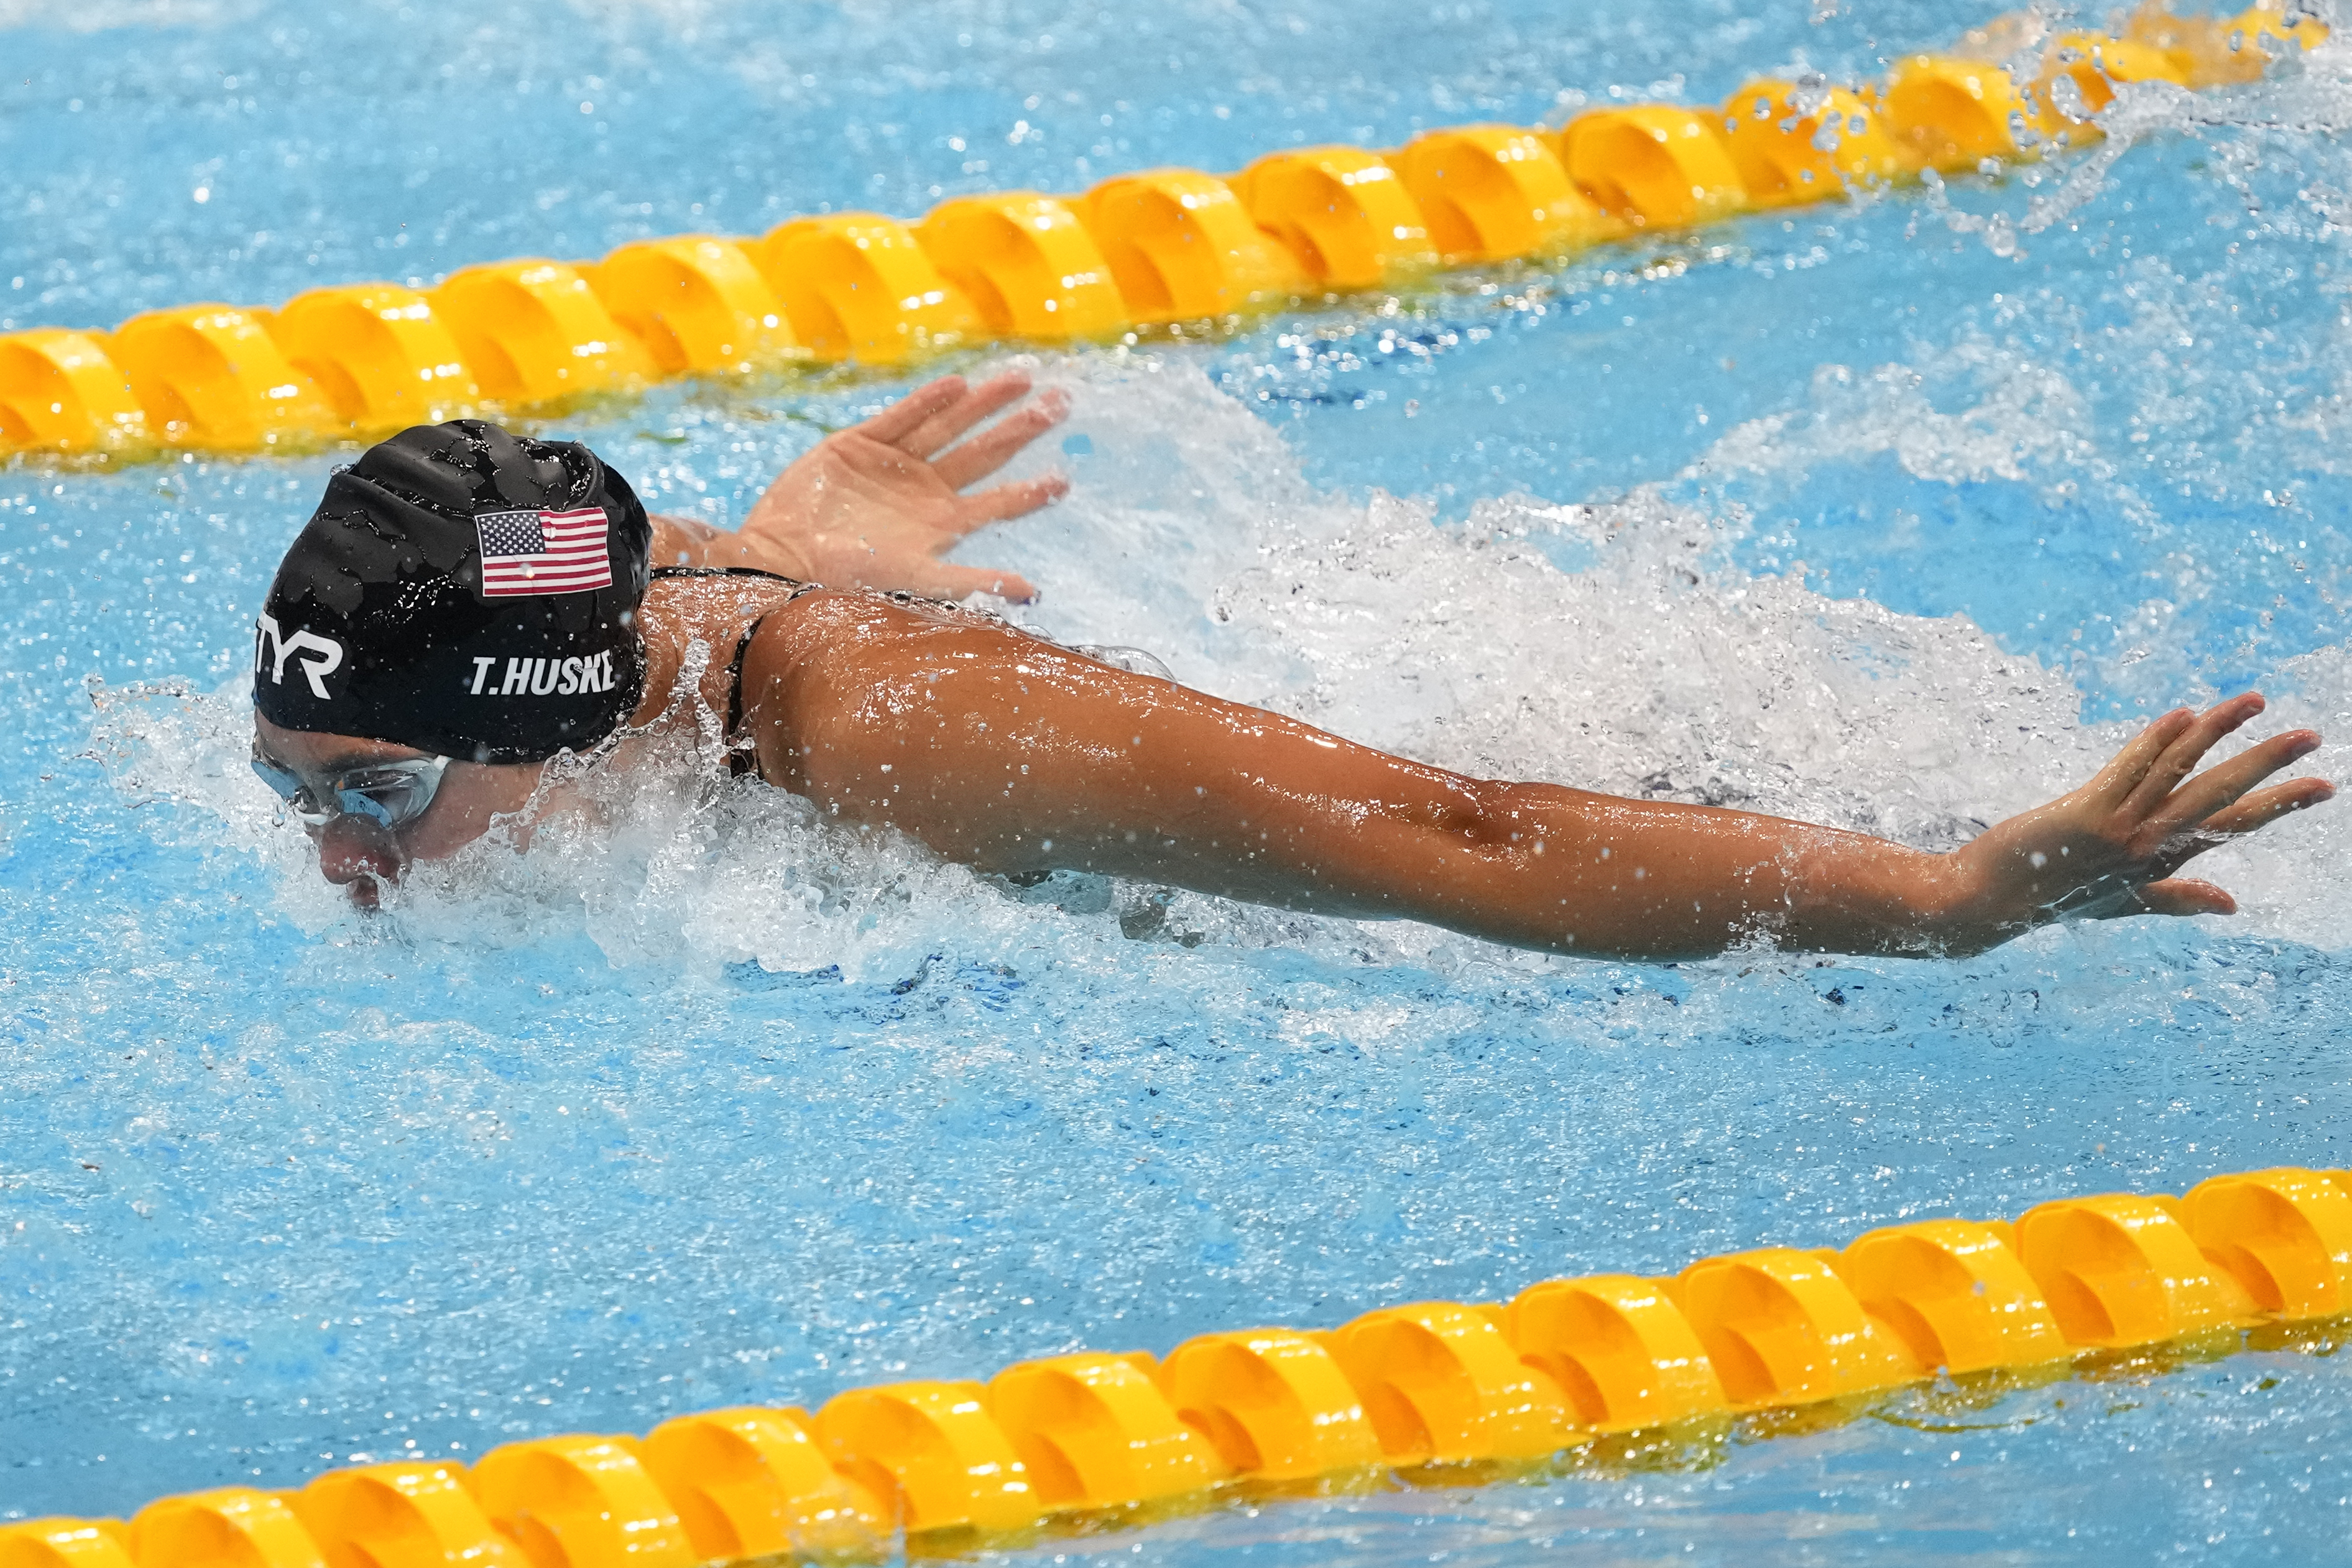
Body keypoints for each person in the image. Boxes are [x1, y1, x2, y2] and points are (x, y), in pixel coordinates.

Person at [248, 370, 2332, 958]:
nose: (336, 854)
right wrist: (772, 546)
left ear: (560, 732)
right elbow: (609, 565)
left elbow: (1460, 826)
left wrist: (1946, 893)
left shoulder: (906, 727)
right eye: (300, 786)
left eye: (372, 796)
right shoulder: (551, 644)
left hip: (1551, 773)